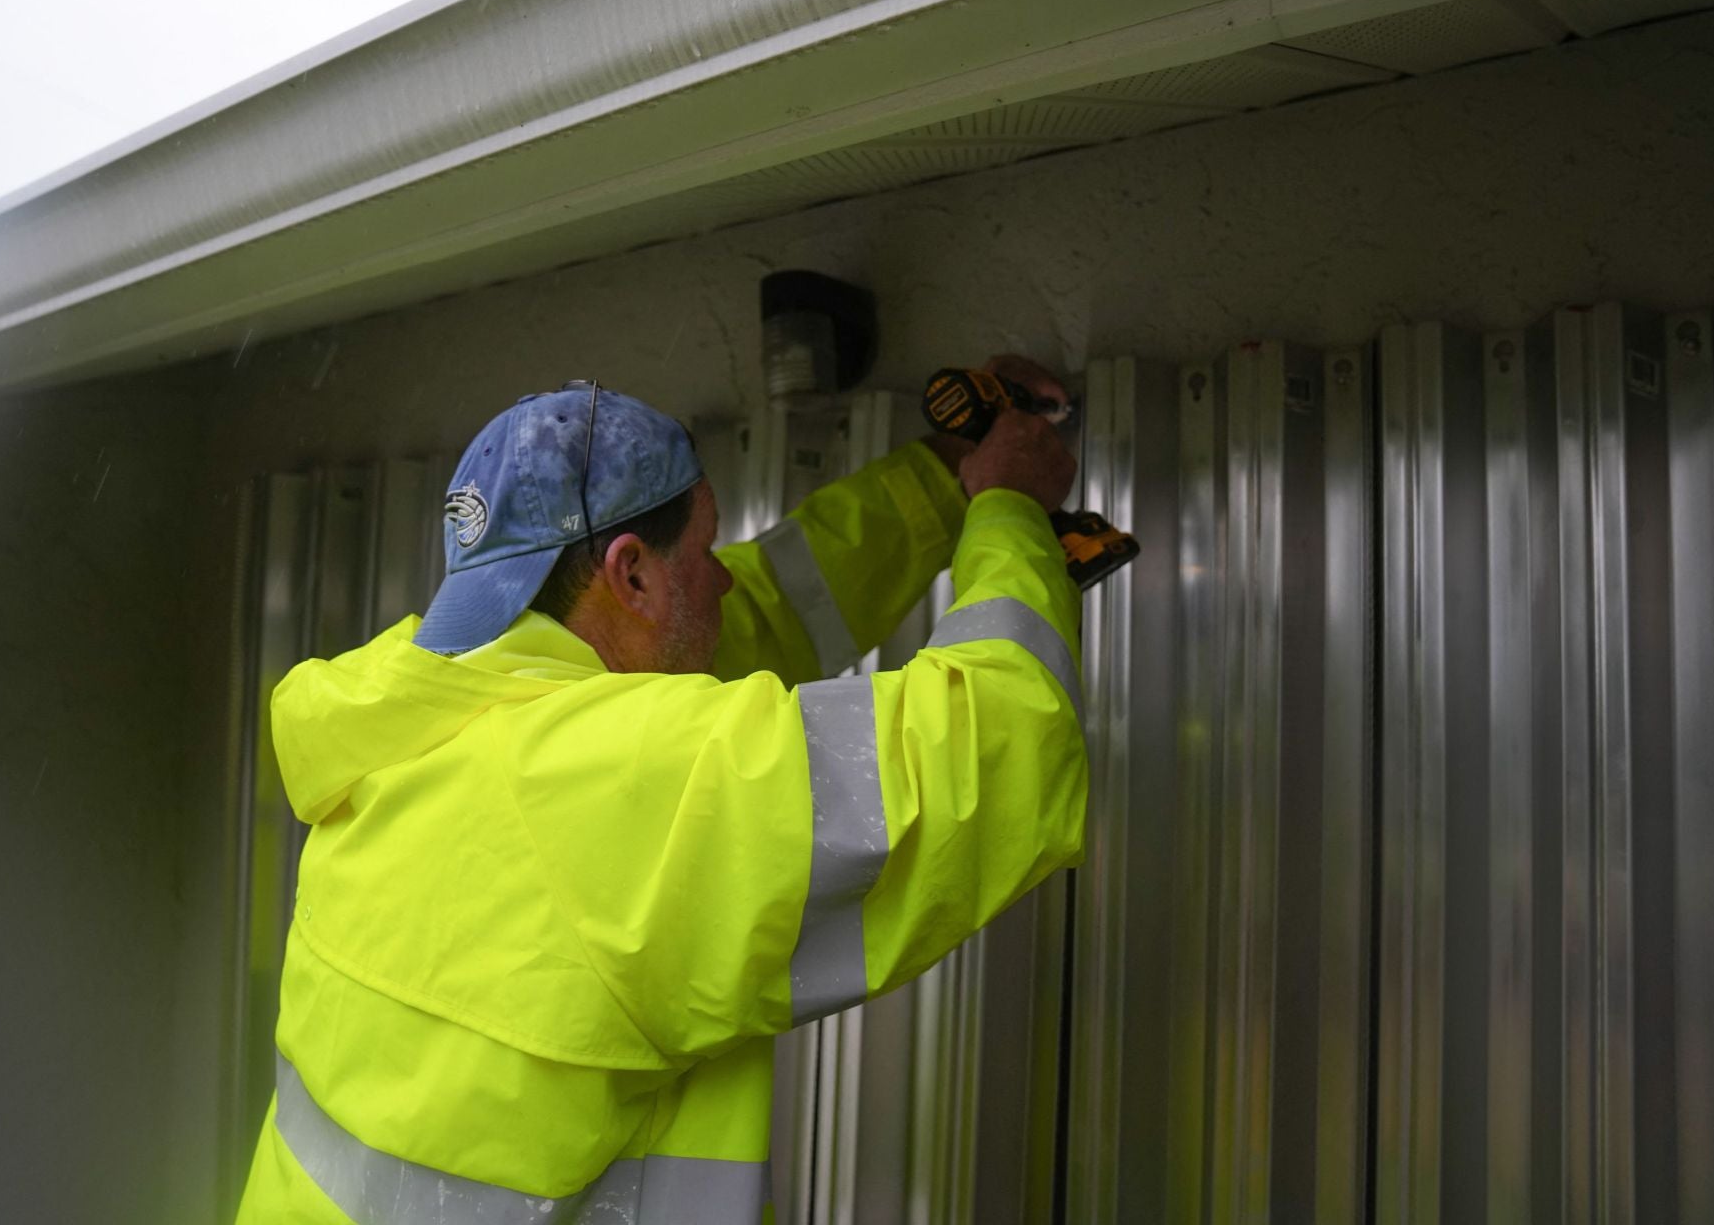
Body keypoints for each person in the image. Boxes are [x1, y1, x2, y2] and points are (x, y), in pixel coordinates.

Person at [236, 356, 1089, 1223]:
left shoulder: (401, 726)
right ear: (631, 574)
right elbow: (1001, 736)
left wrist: (943, 481)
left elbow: (748, 616)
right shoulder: (615, 786)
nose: (725, 576)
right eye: (709, 549)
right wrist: (1008, 511)